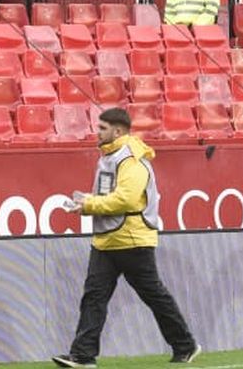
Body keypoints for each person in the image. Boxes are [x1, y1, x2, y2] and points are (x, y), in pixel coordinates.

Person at [52, 108, 200, 368]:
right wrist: (89, 200)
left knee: (153, 295)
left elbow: (126, 199)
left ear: (117, 131)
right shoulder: (110, 157)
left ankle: (185, 345)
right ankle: (83, 356)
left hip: (132, 239)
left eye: (102, 128)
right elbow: (111, 194)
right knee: (94, 297)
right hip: (107, 239)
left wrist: (89, 206)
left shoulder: (130, 159)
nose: (96, 132)